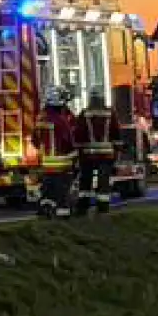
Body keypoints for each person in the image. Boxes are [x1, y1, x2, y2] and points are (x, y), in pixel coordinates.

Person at [73, 91, 122, 214]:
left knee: (85, 182)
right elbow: (116, 134)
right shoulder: (110, 113)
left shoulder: (84, 113)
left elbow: (78, 134)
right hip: (106, 155)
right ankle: (103, 208)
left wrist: (77, 153)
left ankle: (83, 207)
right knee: (103, 182)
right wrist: (117, 153)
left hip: (87, 155)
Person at [36, 88, 79, 219]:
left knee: (47, 192)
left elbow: (35, 140)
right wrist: (75, 157)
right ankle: (63, 218)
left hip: (46, 166)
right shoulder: (62, 121)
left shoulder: (40, 120)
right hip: (62, 166)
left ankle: (45, 213)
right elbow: (69, 142)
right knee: (62, 194)